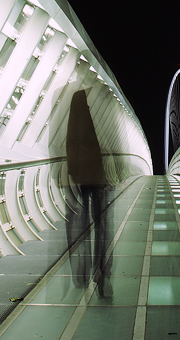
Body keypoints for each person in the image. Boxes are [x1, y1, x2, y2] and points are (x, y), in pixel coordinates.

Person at [65, 87, 113, 298]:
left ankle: (82, 275)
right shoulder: (87, 121)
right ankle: (100, 272)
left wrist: (73, 173)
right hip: (96, 180)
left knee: (84, 228)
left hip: (84, 181)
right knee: (101, 226)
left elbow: (71, 146)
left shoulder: (74, 121)